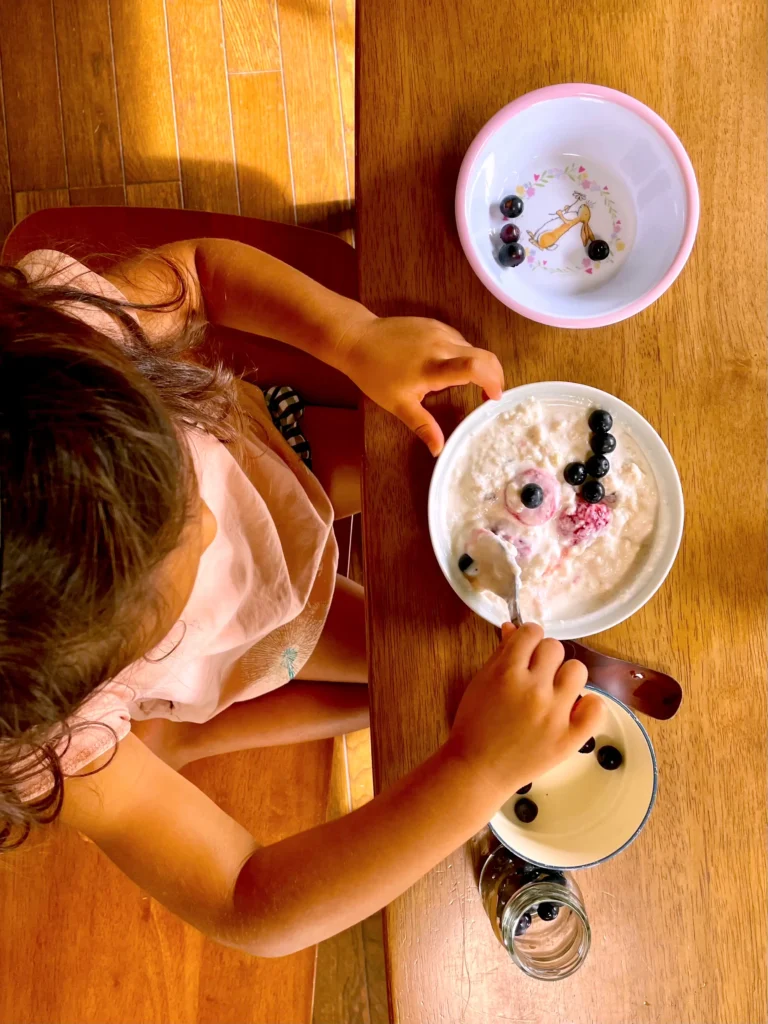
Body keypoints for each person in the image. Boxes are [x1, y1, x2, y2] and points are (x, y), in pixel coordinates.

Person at [0, 240, 602, 955]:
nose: (212, 523)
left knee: (421, 477)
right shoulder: (46, 737)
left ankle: (176, 740)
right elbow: (244, 898)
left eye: (180, 486)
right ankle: (179, 737)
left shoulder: (66, 347)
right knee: (422, 680)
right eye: (177, 565)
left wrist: (355, 337)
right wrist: (474, 773)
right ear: (80, 687)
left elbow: (198, 272)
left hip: (272, 450)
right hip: (252, 632)